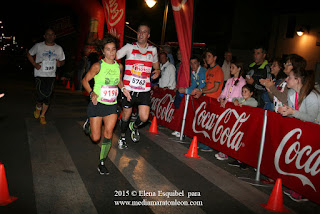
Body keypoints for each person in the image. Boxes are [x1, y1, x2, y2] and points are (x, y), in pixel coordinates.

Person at [82, 34, 131, 175]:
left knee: (108, 133)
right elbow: (85, 80)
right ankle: (89, 124)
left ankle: (102, 162)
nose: (111, 52)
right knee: (95, 138)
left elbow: (119, 81)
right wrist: (92, 93)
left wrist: (124, 89)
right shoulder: (98, 66)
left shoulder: (119, 66)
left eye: (113, 49)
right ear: (103, 51)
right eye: (108, 49)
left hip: (111, 105)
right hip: (97, 104)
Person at [116, 22, 161, 149]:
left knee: (144, 117)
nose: (141, 34)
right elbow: (113, 56)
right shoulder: (129, 47)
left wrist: (157, 71)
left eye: (144, 31)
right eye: (139, 31)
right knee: (126, 115)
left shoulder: (152, 50)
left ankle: (134, 126)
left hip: (144, 90)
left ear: (148, 35)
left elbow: (157, 66)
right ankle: (123, 136)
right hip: (128, 89)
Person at [278, 68, 320, 202]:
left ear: (298, 80)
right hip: (301, 130)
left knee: (309, 162)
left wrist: (292, 112)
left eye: (289, 77)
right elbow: (293, 112)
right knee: (298, 158)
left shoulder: (312, 96)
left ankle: (305, 191)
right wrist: (284, 111)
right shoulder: (291, 92)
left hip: (315, 131)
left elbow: (313, 118)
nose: (286, 79)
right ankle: (297, 187)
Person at [27, 27, 65, 124]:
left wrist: (60, 63)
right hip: (40, 74)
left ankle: (43, 115)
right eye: (48, 34)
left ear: (55, 36)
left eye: (52, 34)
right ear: (44, 36)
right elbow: (29, 54)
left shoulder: (58, 48)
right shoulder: (38, 46)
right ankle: (38, 107)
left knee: (48, 96)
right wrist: (35, 64)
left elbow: (62, 60)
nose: (50, 36)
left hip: (51, 75)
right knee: (40, 95)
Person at [224, 84, 258, 168]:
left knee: (245, 143)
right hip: (241, 124)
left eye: (245, 91)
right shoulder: (241, 99)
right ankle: (239, 159)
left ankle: (245, 162)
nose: (243, 93)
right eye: (242, 91)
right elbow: (235, 99)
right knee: (239, 141)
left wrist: (240, 103)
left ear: (251, 93)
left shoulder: (252, 101)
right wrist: (236, 100)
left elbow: (252, 104)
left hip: (249, 124)